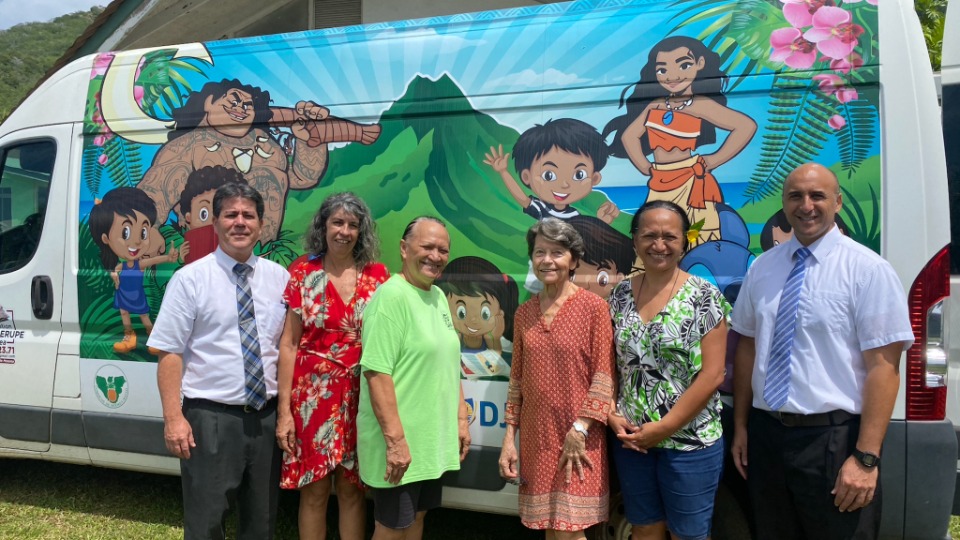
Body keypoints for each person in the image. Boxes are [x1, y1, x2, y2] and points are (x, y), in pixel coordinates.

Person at [730, 163, 914, 540]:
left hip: (833, 441)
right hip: (768, 437)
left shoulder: (867, 270)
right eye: (795, 196)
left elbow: (884, 368)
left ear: (838, 202)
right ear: (783, 202)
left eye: (817, 196)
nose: (806, 205)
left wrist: (865, 459)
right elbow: (748, 346)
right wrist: (742, 426)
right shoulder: (762, 268)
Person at [148, 183, 290, 540]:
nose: (239, 223)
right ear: (215, 223)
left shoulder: (280, 279)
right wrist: (173, 419)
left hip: (265, 419)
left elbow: (286, 348)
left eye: (248, 215)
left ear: (261, 225)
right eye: (231, 215)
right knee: (207, 519)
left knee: (262, 521)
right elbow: (169, 352)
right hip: (209, 420)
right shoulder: (189, 280)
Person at [606, 200, 729, 540]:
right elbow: (610, 364)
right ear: (635, 242)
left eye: (669, 237)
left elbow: (713, 374)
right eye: (649, 235)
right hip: (632, 442)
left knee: (687, 534)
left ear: (684, 242)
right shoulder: (618, 296)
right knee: (644, 527)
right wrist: (610, 413)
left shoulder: (704, 296)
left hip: (690, 442)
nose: (659, 245)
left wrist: (665, 427)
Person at [275, 193, 390, 540]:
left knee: (354, 490)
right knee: (314, 490)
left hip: (361, 397)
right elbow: (289, 344)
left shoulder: (377, 276)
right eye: (337, 222)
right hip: (313, 399)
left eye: (353, 225)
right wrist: (284, 412)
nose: (344, 231)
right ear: (323, 226)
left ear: (362, 231)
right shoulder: (303, 271)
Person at [498, 217, 614, 538]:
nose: (547, 260)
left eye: (557, 252)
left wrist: (580, 429)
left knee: (569, 532)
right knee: (549, 528)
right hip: (537, 440)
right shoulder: (524, 313)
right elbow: (517, 381)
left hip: (579, 439)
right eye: (539, 252)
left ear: (574, 260)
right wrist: (510, 439)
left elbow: (604, 377)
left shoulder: (594, 308)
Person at [356, 216, 471, 540]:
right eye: (427, 247)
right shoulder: (391, 298)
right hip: (400, 446)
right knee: (392, 528)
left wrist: (461, 420)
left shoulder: (436, 297)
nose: (436, 256)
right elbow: (377, 373)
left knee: (415, 520)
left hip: (429, 443)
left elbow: (449, 364)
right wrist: (395, 442)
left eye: (443, 250)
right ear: (404, 249)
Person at [603, 36, 756, 246]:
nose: (672, 76)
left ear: (700, 64)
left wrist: (714, 160)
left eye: (684, 65)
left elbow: (746, 126)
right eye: (662, 70)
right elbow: (629, 136)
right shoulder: (655, 105)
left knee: (696, 235)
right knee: (652, 236)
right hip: (659, 181)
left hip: (691, 180)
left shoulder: (701, 105)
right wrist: (644, 166)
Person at [88, 187, 178, 353]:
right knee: (124, 314)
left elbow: (153, 259)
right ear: (106, 238)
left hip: (136, 295)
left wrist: (167, 258)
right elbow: (116, 269)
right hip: (124, 293)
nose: (136, 241)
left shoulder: (138, 264)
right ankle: (130, 337)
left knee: (144, 316)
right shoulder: (124, 265)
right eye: (126, 232)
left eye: (143, 232)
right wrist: (114, 274)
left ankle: (153, 338)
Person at [483, 118, 619, 224]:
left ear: (594, 179)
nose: (564, 184)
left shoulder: (575, 216)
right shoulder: (542, 209)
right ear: (526, 177)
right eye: (549, 175)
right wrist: (503, 172)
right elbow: (522, 198)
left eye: (579, 175)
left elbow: (586, 237)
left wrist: (601, 222)